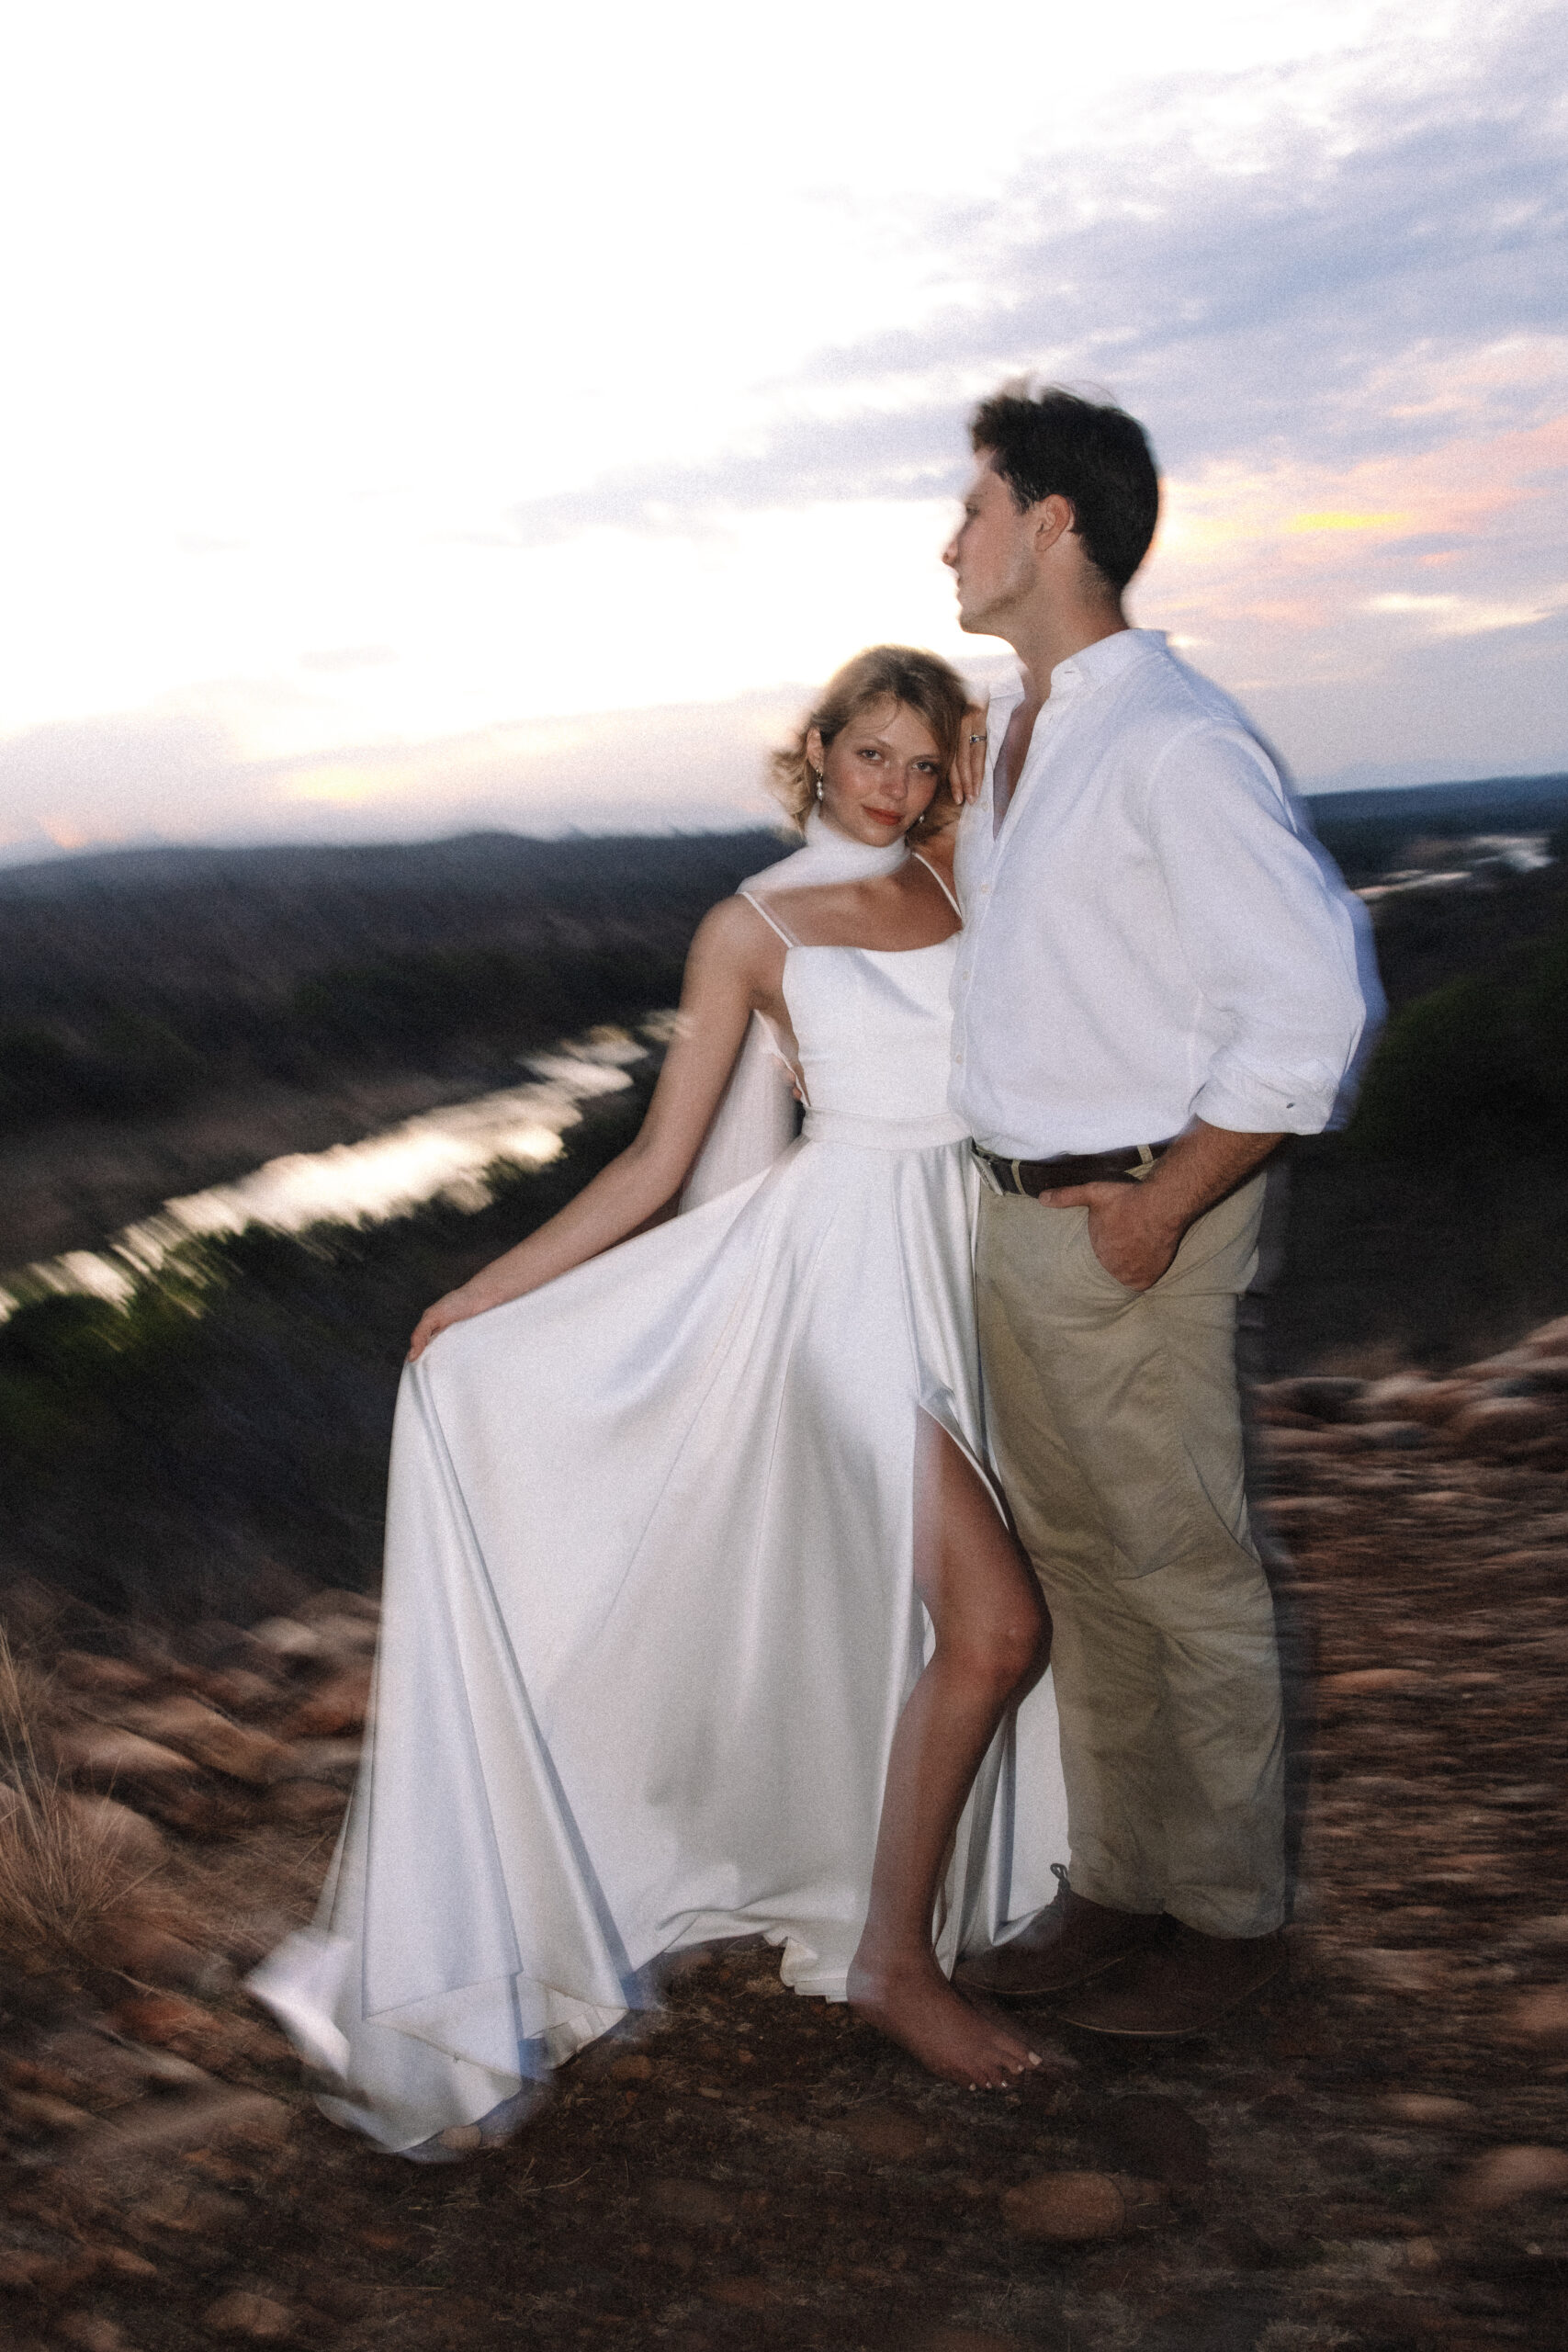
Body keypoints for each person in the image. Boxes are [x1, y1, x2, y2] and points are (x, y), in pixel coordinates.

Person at [250, 646, 1071, 2155]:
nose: (894, 786)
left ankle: (874, 1902)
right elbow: (653, 1158)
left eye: (920, 762)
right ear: (816, 750)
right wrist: (484, 1294)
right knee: (999, 1627)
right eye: (869, 754)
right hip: (837, 1294)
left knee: (935, 1621)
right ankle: (892, 1962)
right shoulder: (749, 927)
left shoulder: (961, 884)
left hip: (965, 1270)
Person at [941, 387, 1371, 2037]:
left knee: (1182, 1573)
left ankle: (1235, 1930)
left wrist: (1165, 1204)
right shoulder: (1021, 728)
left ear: (1054, 523)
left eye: (974, 507)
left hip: (1133, 1226)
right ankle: (1127, 1889)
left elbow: (1311, 1006)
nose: (951, 539)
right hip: (1026, 1223)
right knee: (1084, 1569)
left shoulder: (1175, 739)